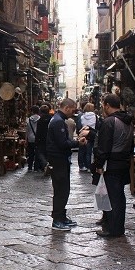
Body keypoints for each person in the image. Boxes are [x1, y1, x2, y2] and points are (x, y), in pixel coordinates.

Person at [87, 93, 134, 238]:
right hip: (123, 162)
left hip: (111, 164)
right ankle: (115, 225)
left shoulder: (109, 122)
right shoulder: (127, 121)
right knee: (119, 196)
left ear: (107, 105)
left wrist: (99, 164)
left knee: (113, 197)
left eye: (103, 106)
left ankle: (114, 229)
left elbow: (104, 146)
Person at [46, 98, 86, 230]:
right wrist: (78, 143)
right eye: (73, 109)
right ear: (67, 108)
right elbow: (62, 143)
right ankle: (57, 219)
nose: (73, 113)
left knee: (63, 189)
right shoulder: (58, 122)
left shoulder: (58, 120)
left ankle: (61, 216)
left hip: (59, 159)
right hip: (58, 160)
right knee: (61, 189)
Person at [77, 102, 98, 172]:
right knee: (89, 152)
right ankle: (88, 166)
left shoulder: (82, 116)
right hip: (91, 135)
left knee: (81, 151)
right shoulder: (95, 117)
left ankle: (81, 165)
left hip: (83, 134)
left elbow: (78, 126)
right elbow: (97, 127)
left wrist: (79, 133)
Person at [34, 104, 51, 173]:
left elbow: (38, 131)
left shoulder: (40, 120)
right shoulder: (51, 119)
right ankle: (46, 165)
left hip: (41, 139)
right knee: (47, 153)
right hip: (49, 139)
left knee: (40, 153)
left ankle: (45, 164)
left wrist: (36, 140)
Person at [25, 105, 40, 171]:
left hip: (30, 138)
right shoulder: (40, 119)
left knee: (30, 153)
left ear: (32, 111)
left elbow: (27, 131)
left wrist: (26, 140)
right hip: (38, 139)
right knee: (37, 153)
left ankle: (30, 167)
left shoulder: (28, 120)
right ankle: (36, 167)